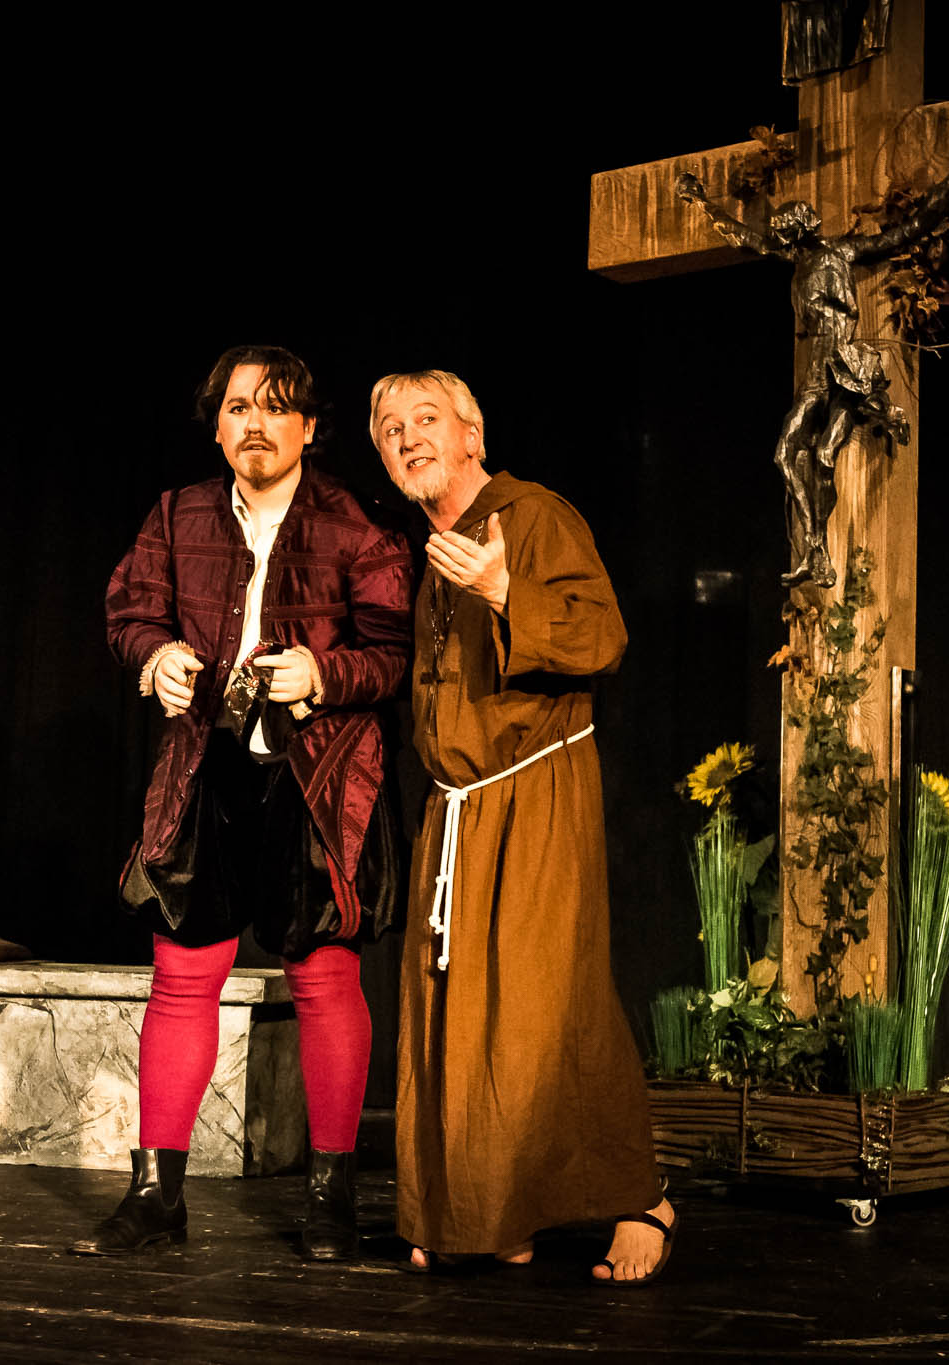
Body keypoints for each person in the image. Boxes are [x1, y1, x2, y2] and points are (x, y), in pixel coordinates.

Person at [80, 345, 412, 1259]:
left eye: (275, 408)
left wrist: (325, 669)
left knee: (323, 976)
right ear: (218, 422)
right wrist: (155, 657)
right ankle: (155, 1196)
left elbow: (395, 653)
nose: (254, 424)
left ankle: (331, 1198)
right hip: (207, 769)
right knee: (183, 974)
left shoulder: (356, 523)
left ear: (308, 426)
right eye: (238, 408)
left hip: (318, 775)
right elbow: (130, 609)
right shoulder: (175, 513)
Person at [369, 369, 675, 1284]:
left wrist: (508, 590)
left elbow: (603, 635)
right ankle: (486, 1211)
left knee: (550, 1002)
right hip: (458, 808)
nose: (408, 436)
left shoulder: (531, 515)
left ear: (474, 434)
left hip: (533, 791)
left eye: (427, 419)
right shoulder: (432, 549)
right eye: (390, 427)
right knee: (458, 1013)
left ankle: (643, 1196)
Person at [675, 97, 949, 589]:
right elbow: (746, 238)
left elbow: (913, 226)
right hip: (817, 373)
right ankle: (816, 549)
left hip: (845, 366)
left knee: (823, 457)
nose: (782, 239)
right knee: (784, 454)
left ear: (799, 227)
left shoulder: (842, 251)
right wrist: (702, 202)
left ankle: (878, 425)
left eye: (786, 231)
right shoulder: (795, 261)